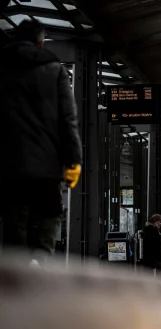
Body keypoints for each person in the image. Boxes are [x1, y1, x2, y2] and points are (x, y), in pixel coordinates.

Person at [0, 18, 82, 266]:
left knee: (14, 222)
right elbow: (68, 119)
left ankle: (15, 273)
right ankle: (40, 260)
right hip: (47, 165)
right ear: (41, 41)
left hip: (9, 164)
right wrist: (73, 160)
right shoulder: (55, 69)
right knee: (50, 215)